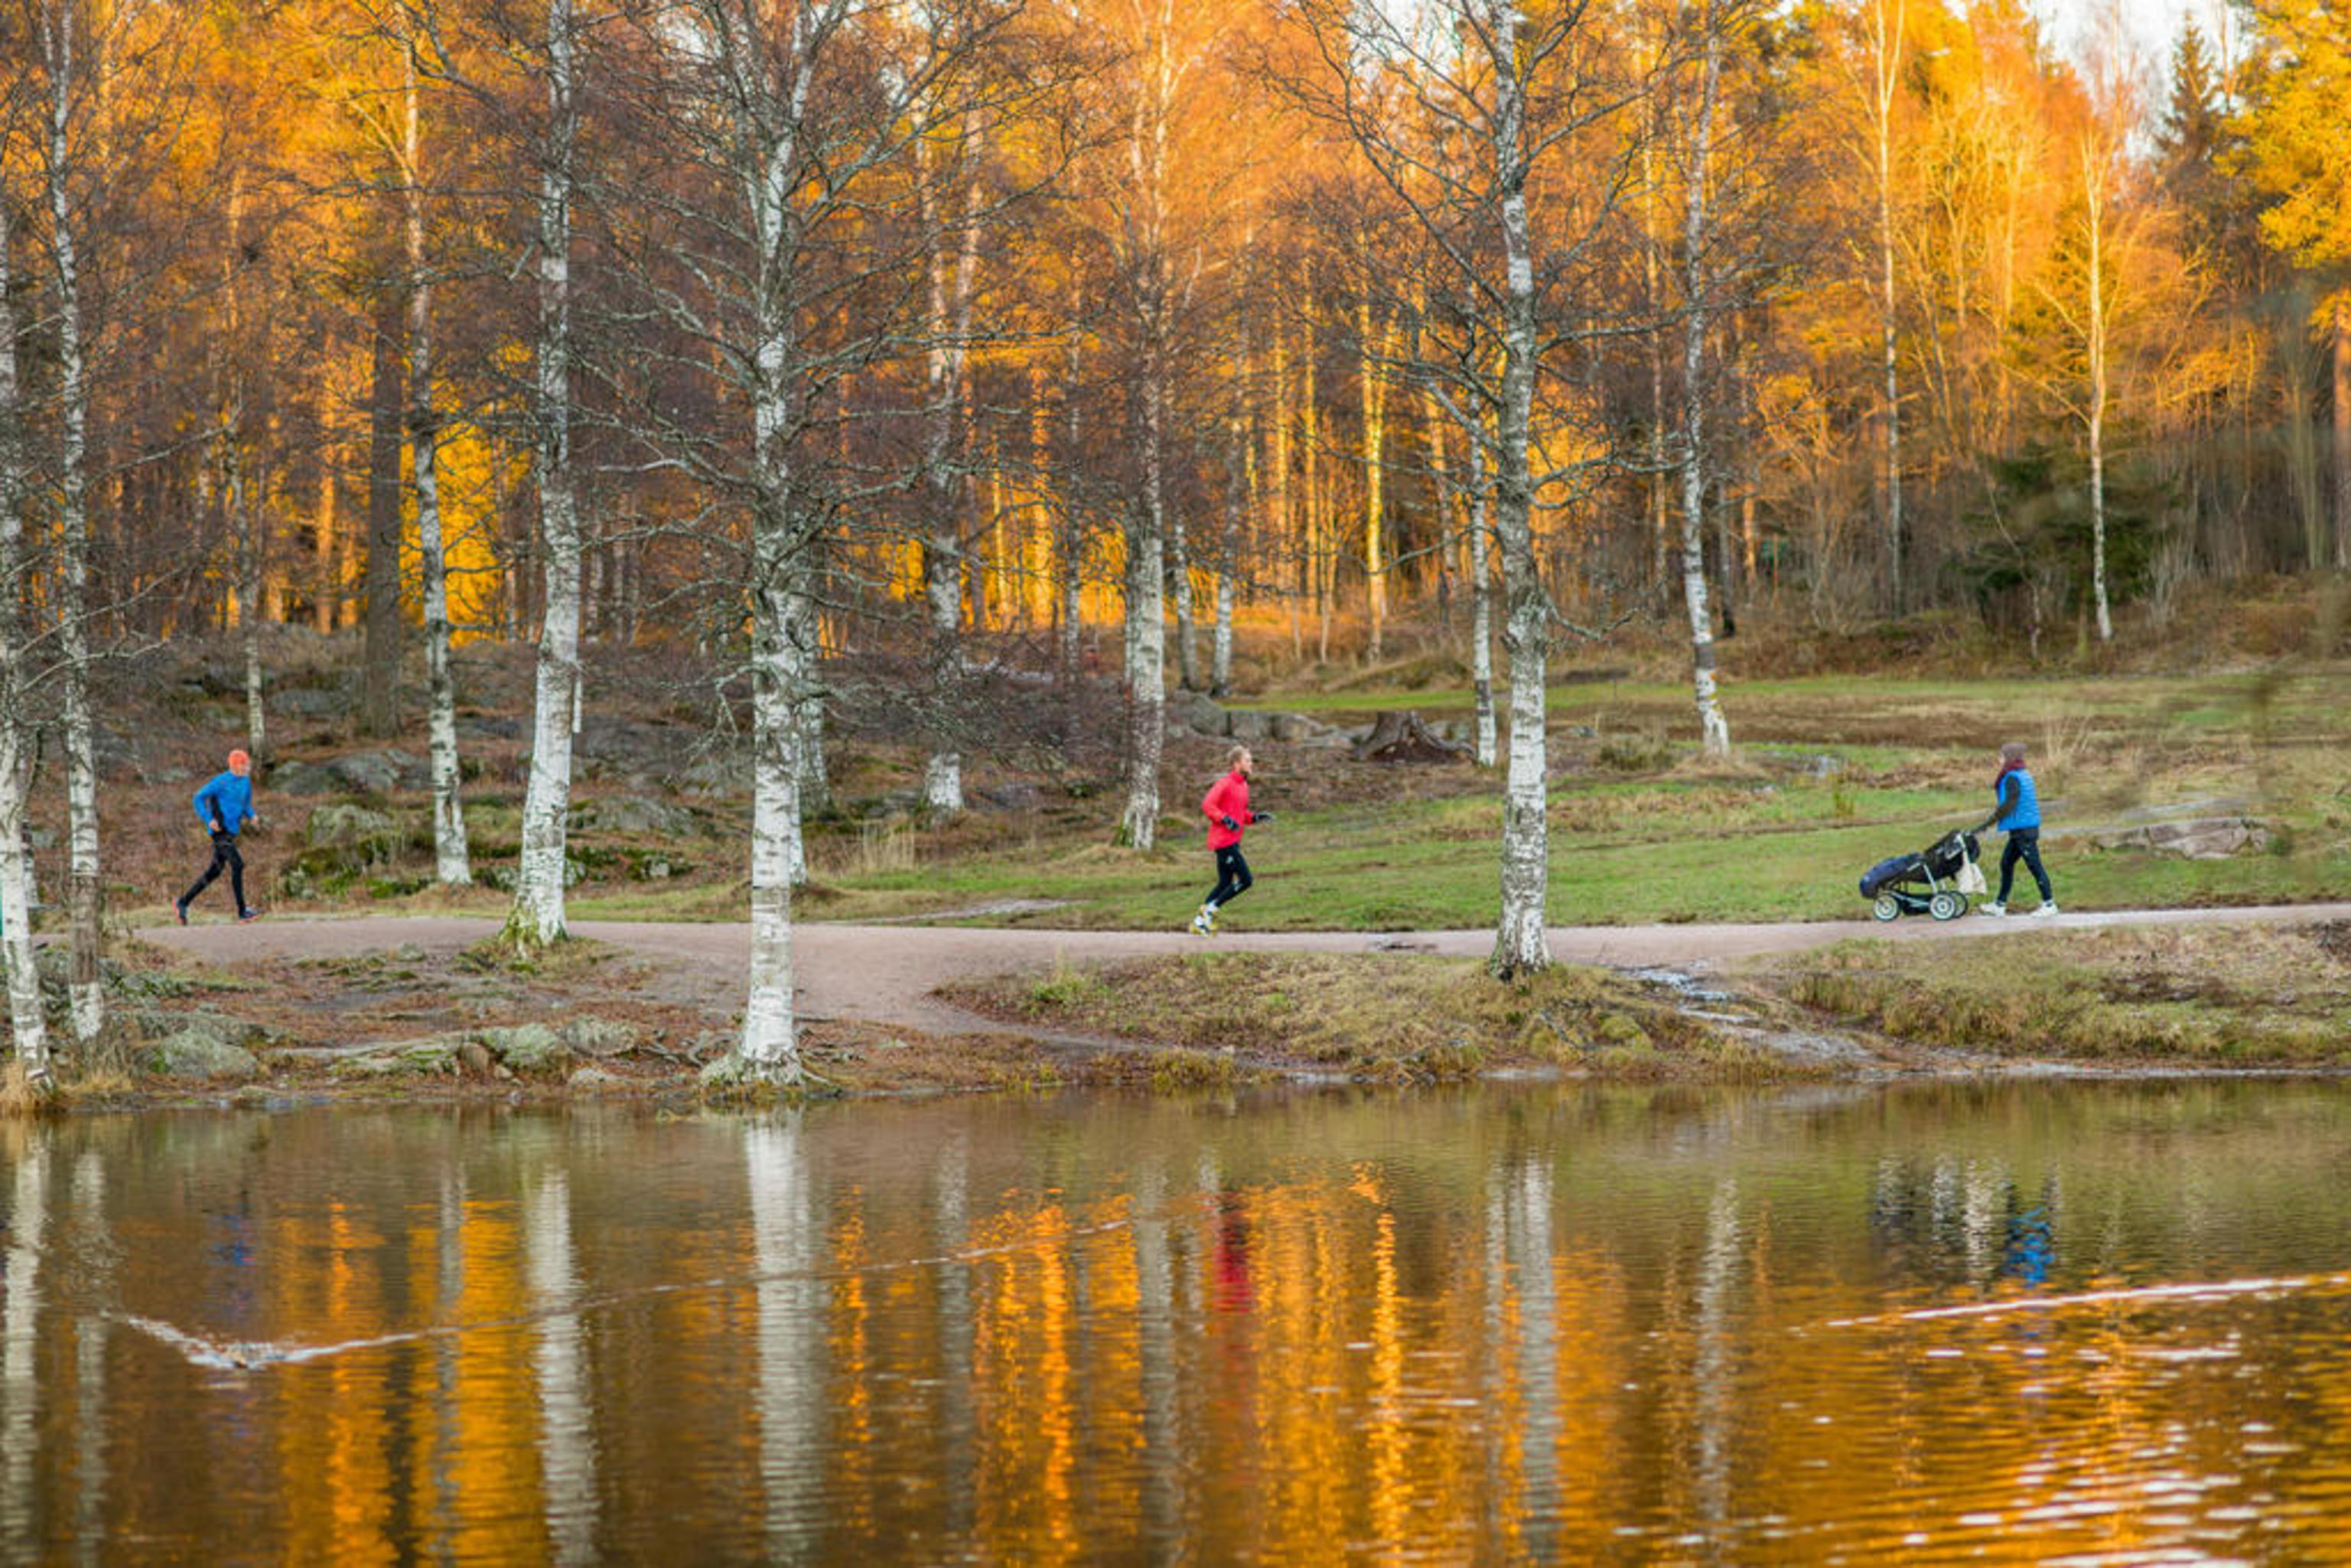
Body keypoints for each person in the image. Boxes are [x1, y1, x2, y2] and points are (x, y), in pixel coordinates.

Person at [1191, 745, 1271, 935]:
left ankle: (1199, 923)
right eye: (1247, 760)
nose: (1251, 764)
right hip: (1223, 842)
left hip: (1233, 841)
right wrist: (1224, 819)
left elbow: (1240, 813)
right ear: (1236, 764)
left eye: (1251, 760)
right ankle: (1210, 909)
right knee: (1246, 880)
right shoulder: (1224, 783)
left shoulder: (1243, 785)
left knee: (1225, 883)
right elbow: (1208, 805)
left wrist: (1255, 817)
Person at [177, 749, 262, 924]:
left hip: (231, 833)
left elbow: (246, 804)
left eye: (248, 764)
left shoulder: (246, 781)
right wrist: (208, 819)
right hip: (219, 832)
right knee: (238, 865)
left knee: (214, 872)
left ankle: (183, 902)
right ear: (236, 765)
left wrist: (252, 815)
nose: (248, 767)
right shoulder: (221, 781)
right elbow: (198, 798)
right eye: (245, 764)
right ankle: (242, 911)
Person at [1975, 740, 2056, 917]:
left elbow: (2009, 805)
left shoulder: (2012, 777)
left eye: (2002, 756)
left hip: (2024, 831)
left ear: (2009, 758)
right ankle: (2000, 905)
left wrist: (1989, 822)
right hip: (2021, 829)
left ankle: (2049, 904)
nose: (1999, 759)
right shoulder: (2022, 773)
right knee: (2006, 864)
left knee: (2035, 866)